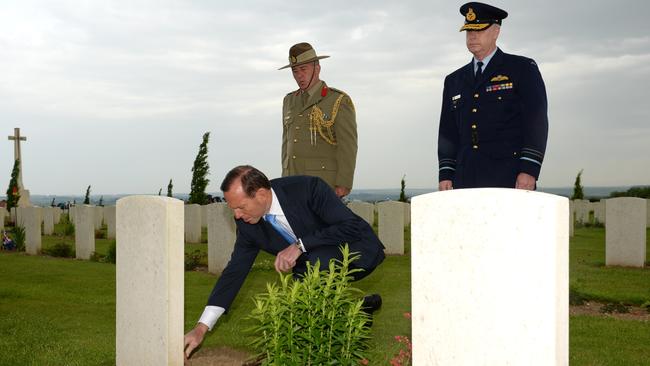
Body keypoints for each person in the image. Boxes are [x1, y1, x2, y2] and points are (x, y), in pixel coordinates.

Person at [183, 165, 385, 359]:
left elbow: (351, 226)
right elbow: (235, 271)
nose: (237, 215)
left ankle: (329, 341)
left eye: (241, 207)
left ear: (261, 195)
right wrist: (201, 327)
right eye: (233, 209)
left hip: (358, 251)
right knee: (303, 295)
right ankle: (357, 312)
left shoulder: (308, 188)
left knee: (311, 275)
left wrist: (299, 246)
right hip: (312, 265)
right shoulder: (247, 223)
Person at [437, 2, 548, 190]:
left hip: (508, 175)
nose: (472, 36)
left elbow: (536, 121)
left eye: (479, 30)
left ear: (496, 32)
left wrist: (529, 169)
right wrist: (446, 173)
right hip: (465, 178)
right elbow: (447, 132)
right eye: (469, 31)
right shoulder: (454, 80)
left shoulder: (521, 69)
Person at [279, 42, 358, 198]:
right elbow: (286, 146)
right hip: (292, 184)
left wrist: (343, 184)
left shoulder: (338, 100)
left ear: (317, 68)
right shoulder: (289, 101)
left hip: (322, 186)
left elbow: (348, 146)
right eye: (294, 71)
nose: (299, 75)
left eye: (303, 69)